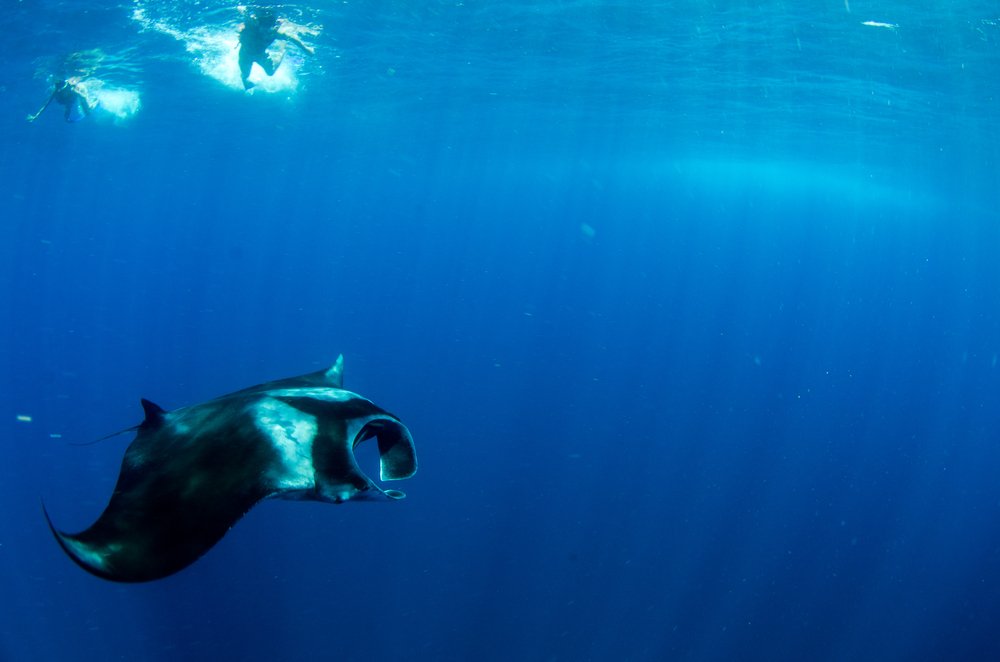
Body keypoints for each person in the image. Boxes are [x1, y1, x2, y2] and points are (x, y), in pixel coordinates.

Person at [238, 8, 316, 90]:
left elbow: (291, 38)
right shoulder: (251, 27)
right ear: (259, 24)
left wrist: (306, 49)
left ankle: (282, 51)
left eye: (269, 28)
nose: (266, 31)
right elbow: (246, 15)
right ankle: (246, 84)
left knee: (270, 72)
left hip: (260, 55)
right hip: (245, 54)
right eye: (264, 27)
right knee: (245, 74)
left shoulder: (274, 32)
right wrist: (243, 10)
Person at [27, 77, 96, 122]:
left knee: (87, 111)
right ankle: (88, 107)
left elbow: (82, 97)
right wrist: (37, 115)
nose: (59, 90)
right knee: (68, 111)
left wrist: (87, 105)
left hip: (72, 98)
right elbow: (46, 104)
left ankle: (93, 103)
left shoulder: (72, 89)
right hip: (67, 100)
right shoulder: (56, 90)